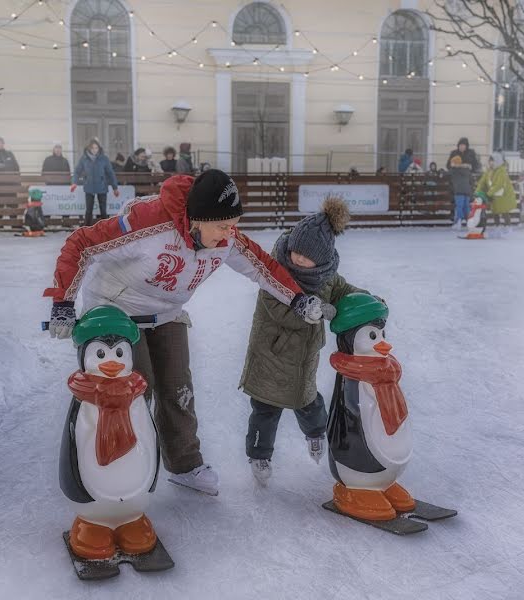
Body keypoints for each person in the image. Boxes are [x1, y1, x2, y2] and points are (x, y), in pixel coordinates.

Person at [45, 170, 329, 496]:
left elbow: (263, 266)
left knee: (178, 390)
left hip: (166, 313)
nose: (229, 233)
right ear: (196, 219)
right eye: (222, 226)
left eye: (233, 224)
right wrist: (63, 302)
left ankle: (185, 464)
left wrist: (298, 298)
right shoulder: (148, 223)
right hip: (115, 311)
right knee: (134, 390)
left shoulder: (225, 238)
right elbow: (81, 243)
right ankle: (120, 469)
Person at [239, 197, 369, 485]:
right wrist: (311, 310)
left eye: (305, 255)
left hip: (303, 359)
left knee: (309, 403)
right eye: (295, 250)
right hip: (270, 355)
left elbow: (342, 290)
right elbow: (276, 310)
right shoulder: (274, 273)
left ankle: (316, 435)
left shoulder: (325, 277)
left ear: (321, 259)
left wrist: (366, 299)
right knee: (265, 410)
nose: (297, 257)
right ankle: (259, 456)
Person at [71, 137, 120, 226]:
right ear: (89, 148)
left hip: (102, 186)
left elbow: (110, 173)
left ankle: (105, 228)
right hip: (89, 187)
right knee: (89, 210)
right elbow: (77, 171)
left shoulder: (104, 159)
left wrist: (115, 188)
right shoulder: (84, 158)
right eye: (92, 148)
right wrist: (74, 182)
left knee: (103, 210)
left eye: (96, 148)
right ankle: (86, 229)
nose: (94, 150)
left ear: (99, 148)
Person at [475, 151, 517, 232]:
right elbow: (482, 182)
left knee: (504, 211)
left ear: (497, 161)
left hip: (503, 195)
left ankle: (508, 227)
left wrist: (488, 194)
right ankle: (497, 226)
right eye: (490, 161)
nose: (491, 163)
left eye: (492, 161)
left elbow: (499, 184)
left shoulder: (501, 171)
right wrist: (477, 191)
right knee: (495, 211)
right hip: (494, 195)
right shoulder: (489, 171)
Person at [447, 137, 481, 230]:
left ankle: (464, 220)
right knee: (460, 203)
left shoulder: (470, 153)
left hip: (465, 183)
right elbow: (449, 166)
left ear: (466, 146)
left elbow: (475, 166)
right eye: (460, 145)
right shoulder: (454, 153)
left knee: (464, 204)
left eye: (463, 145)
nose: (461, 147)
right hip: (458, 184)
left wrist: (468, 167)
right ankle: (462, 220)